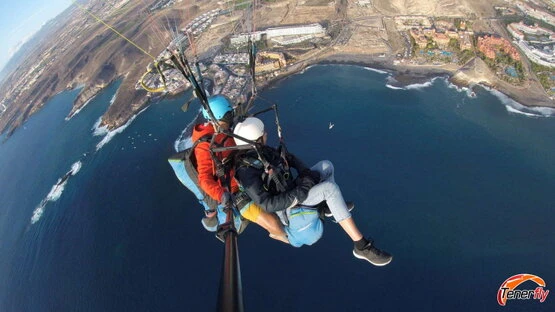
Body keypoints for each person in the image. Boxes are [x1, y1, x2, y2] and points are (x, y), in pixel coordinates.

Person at [232, 117, 393, 266]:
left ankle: (326, 207)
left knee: (326, 166)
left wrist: (305, 173)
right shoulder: (247, 171)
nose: (266, 134)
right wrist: (302, 189)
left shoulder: (262, 153)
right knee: (329, 190)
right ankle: (362, 246)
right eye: (263, 133)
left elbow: (289, 158)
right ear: (256, 140)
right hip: (289, 209)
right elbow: (267, 204)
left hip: (292, 191)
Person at [192, 95, 288, 243]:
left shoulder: (224, 129)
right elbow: (204, 179)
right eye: (228, 115)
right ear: (217, 118)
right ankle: (290, 239)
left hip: (247, 174)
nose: (231, 118)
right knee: (273, 223)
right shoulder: (205, 146)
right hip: (235, 191)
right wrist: (222, 195)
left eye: (231, 114)